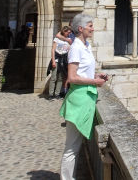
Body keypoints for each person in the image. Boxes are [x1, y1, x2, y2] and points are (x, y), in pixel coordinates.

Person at [59, 13, 108, 180]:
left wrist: (97, 75)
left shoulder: (86, 45)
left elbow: (83, 71)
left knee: (76, 146)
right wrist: (94, 81)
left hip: (86, 99)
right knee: (72, 147)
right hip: (78, 100)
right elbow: (72, 78)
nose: (93, 28)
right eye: (90, 25)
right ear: (80, 28)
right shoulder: (76, 48)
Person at [49, 26, 71, 99]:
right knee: (53, 77)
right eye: (68, 32)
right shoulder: (57, 39)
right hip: (57, 59)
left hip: (64, 60)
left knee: (61, 78)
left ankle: (57, 94)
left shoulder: (69, 40)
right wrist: (53, 61)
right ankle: (51, 94)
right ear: (64, 31)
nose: (69, 33)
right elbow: (53, 50)